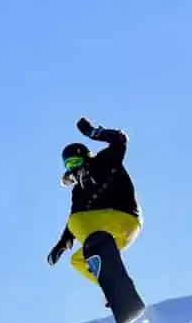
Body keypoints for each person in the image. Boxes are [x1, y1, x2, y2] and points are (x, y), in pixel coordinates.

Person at [46, 117, 142, 305]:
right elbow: (74, 222)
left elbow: (120, 140)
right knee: (78, 261)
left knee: (76, 221)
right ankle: (116, 289)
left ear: (85, 158)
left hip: (126, 220)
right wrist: (61, 245)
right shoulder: (79, 191)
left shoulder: (104, 161)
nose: (74, 168)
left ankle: (97, 248)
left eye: (76, 162)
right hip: (115, 236)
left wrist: (92, 132)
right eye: (69, 165)